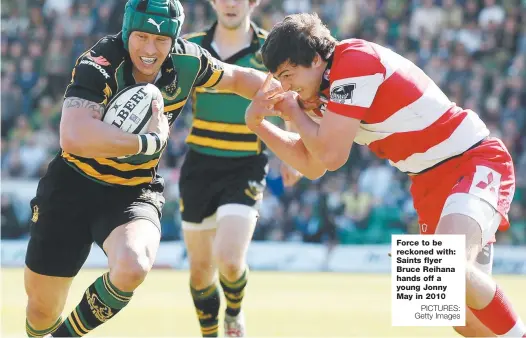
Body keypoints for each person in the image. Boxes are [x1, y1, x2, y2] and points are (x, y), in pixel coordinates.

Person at [245, 13, 525, 338]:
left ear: (316, 58)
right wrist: (258, 125)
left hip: (472, 159)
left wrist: (292, 111)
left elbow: (332, 156)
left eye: (288, 74)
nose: (287, 87)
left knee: (444, 265)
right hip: (425, 182)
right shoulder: (320, 93)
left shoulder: (353, 61)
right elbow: (313, 165)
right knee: (450, 310)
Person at [24, 0, 283, 337]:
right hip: (72, 185)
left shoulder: (188, 60)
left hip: (133, 191)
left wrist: (296, 99)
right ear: (128, 30)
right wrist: (147, 143)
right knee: (42, 312)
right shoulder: (99, 61)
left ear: (174, 39)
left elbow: (237, 79)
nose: (150, 49)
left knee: (133, 265)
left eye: (161, 40)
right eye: (142, 36)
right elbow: (73, 135)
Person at [179, 1, 301, 337]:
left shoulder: (271, 49)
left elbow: (289, 101)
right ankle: (209, 333)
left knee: (230, 260)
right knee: (201, 271)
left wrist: (290, 151)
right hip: (199, 165)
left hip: (245, 162)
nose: (231, 3)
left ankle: (233, 313)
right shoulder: (191, 46)